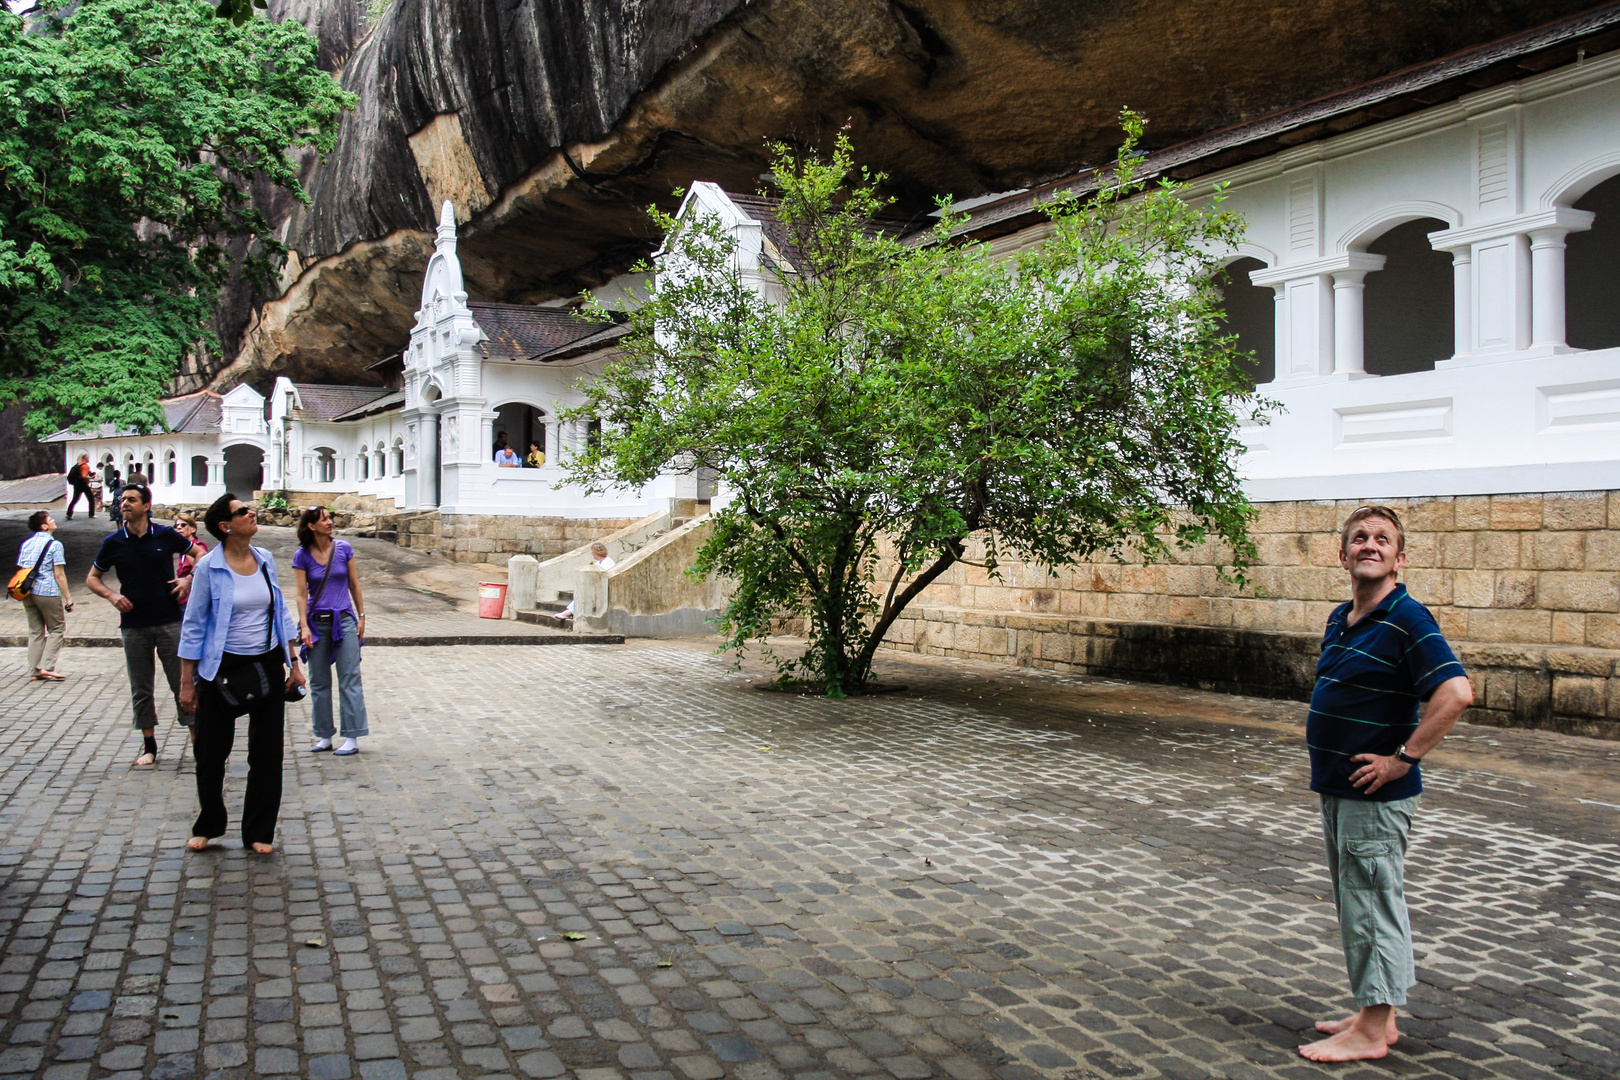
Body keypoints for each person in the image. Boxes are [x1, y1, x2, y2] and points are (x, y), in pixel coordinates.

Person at [1299, 505, 1473, 1063]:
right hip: (1339, 786)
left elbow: (1456, 693)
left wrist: (1405, 757)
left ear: (1401, 556)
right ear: (1342, 553)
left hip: (1374, 793)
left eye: (1382, 539)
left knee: (1371, 903)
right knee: (1360, 901)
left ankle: (1372, 1032)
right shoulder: (1340, 617)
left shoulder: (1408, 619)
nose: (1369, 545)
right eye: (1359, 538)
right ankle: (1379, 1013)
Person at [179, 495, 305, 855]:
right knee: (210, 754)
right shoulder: (209, 568)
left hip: (265, 664)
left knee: (267, 755)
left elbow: (280, 612)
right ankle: (209, 824)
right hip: (219, 669)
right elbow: (194, 625)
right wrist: (187, 683)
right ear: (225, 525)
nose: (252, 514)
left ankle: (258, 831)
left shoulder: (264, 559)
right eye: (242, 512)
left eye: (250, 510)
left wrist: (293, 664)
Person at [85, 483, 206, 766]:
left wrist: (188, 580)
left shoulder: (165, 535)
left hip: (169, 620)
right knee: (141, 687)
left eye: (131, 499)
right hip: (133, 624)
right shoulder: (113, 542)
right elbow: (92, 578)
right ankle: (149, 745)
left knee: (183, 684)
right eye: (122, 500)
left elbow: (200, 554)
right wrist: (112, 595)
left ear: (146, 506)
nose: (125, 503)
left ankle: (198, 742)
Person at [292, 506, 370, 756]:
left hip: (344, 620)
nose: (330, 522)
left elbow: (354, 584)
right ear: (311, 526)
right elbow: (301, 594)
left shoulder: (344, 548)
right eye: (324, 519)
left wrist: (361, 616)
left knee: (350, 678)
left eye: (330, 518)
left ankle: (352, 736)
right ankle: (324, 735)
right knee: (319, 681)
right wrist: (303, 626)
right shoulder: (302, 555)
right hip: (316, 624)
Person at [16, 510, 74, 681]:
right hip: (47, 591)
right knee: (56, 629)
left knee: (35, 631)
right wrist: (68, 598)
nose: (54, 520)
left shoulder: (26, 544)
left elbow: (22, 569)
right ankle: (47, 666)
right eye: (50, 519)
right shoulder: (55, 545)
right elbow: (59, 574)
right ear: (44, 526)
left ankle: (33, 670)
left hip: (27, 592)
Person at [552, 542, 615, 621]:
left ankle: (568, 612)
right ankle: (569, 612)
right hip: (595, 587)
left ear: (596, 553)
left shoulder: (608, 562)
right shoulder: (598, 563)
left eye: (593, 552)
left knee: (586, 594)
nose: (592, 554)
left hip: (602, 588)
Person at [175, 513, 208, 584]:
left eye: (183, 525)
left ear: (193, 529)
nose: (179, 527)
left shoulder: (200, 546)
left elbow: (200, 567)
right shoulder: (181, 550)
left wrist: (187, 548)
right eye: (176, 525)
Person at [65, 454, 95, 519]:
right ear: (86, 458)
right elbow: (84, 475)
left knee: (75, 499)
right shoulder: (84, 466)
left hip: (77, 483)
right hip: (83, 483)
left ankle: (69, 514)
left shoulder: (79, 464)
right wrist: (90, 477)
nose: (89, 459)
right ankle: (91, 514)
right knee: (91, 498)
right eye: (88, 458)